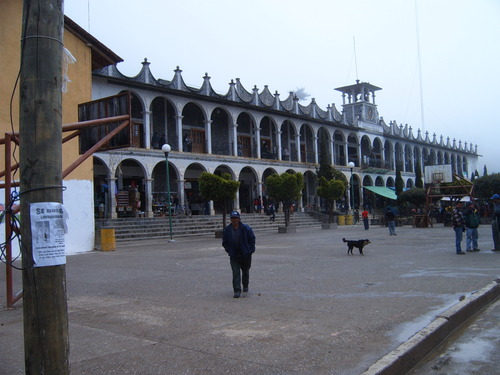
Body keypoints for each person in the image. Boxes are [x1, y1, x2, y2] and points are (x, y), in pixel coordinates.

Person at [222, 211, 256, 298]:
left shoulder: (246, 228)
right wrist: (228, 250)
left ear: (239, 219)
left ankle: (245, 284)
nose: (234, 220)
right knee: (236, 272)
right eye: (232, 218)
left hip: (245, 254)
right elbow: (224, 242)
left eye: (236, 218)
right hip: (234, 255)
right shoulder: (227, 230)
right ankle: (237, 290)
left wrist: (250, 250)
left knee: (245, 271)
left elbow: (252, 239)